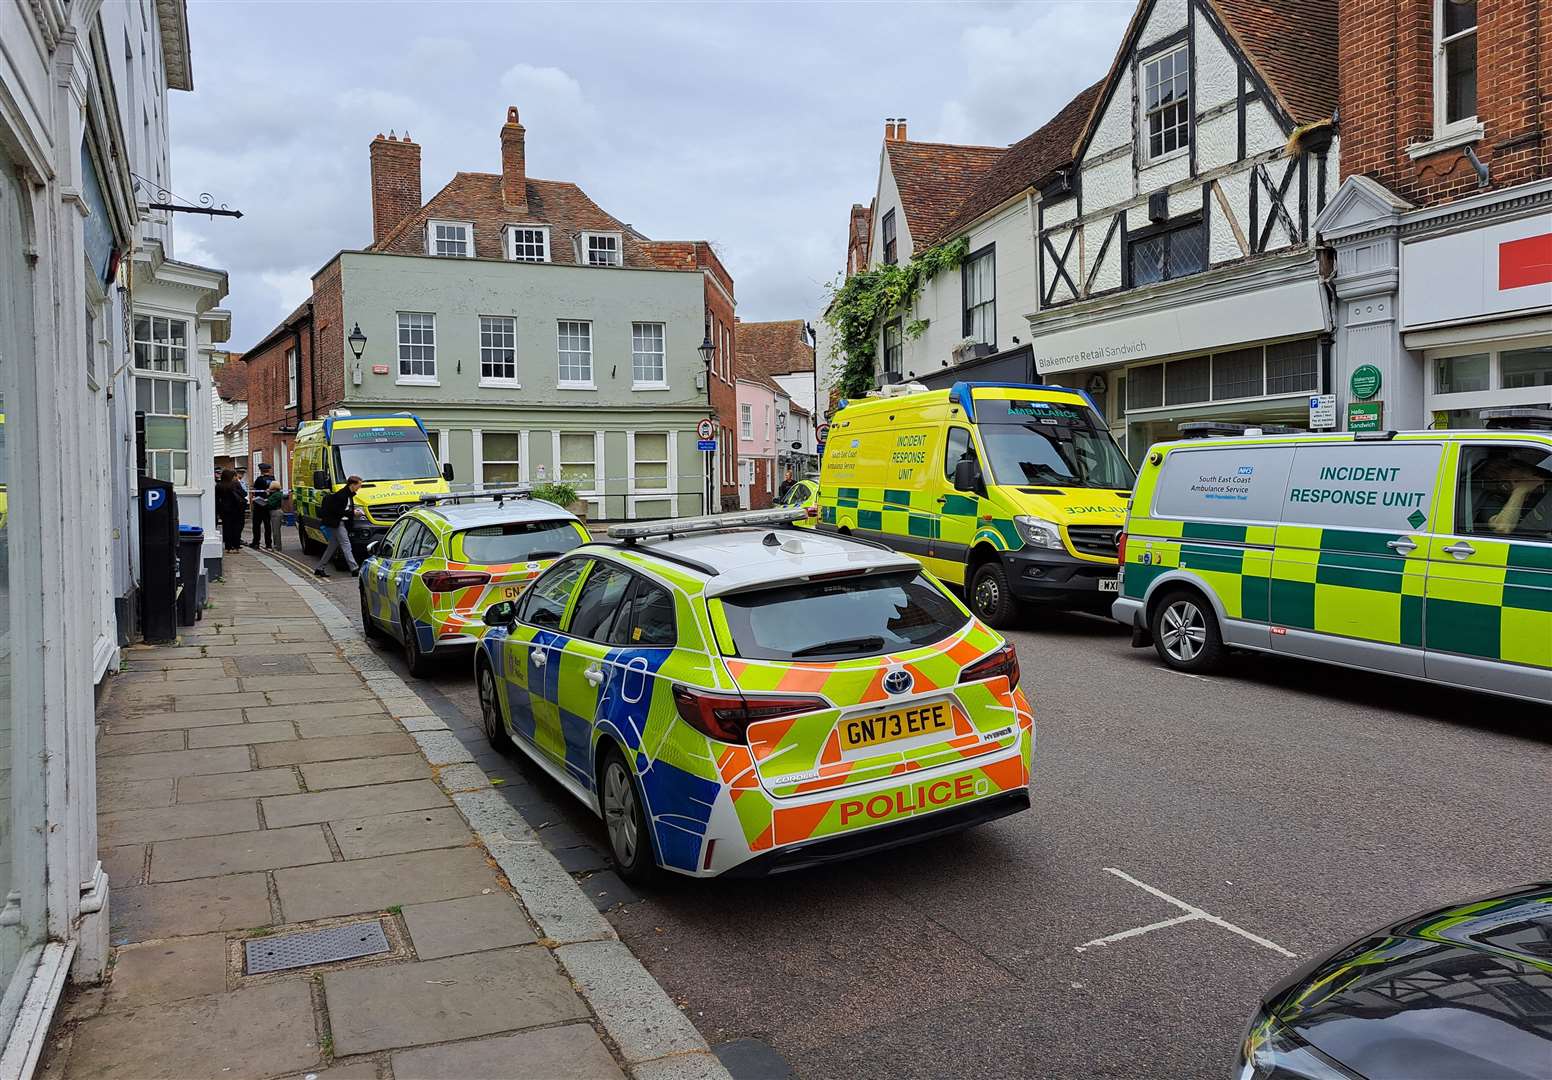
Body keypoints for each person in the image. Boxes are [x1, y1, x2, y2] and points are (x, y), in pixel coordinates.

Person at [314, 475, 362, 578]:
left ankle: (319, 568)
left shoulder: (347, 494)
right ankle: (354, 569)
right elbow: (337, 511)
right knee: (346, 544)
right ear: (352, 485)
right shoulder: (342, 496)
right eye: (359, 485)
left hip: (337, 522)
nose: (360, 487)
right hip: (336, 523)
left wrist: (352, 513)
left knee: (332, 546)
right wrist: (353, 513)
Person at [214, 468, 246, 553]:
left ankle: (228, 547)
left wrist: (217, 511)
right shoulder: (235, 484)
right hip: (236, 509)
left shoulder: (219, 485)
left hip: (224, 510)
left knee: (227, 527)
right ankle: (236, 546)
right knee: (236, 527)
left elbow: (216, 499)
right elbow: (244, 494)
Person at [249, 462, 275, 549]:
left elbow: (255, 490)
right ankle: (268, 544)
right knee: (267, 525)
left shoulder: (259, 479)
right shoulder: (273, 479)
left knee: (256, 525)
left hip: (259, 505)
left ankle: (256, 542)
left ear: (261, 470)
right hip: (268, 505)